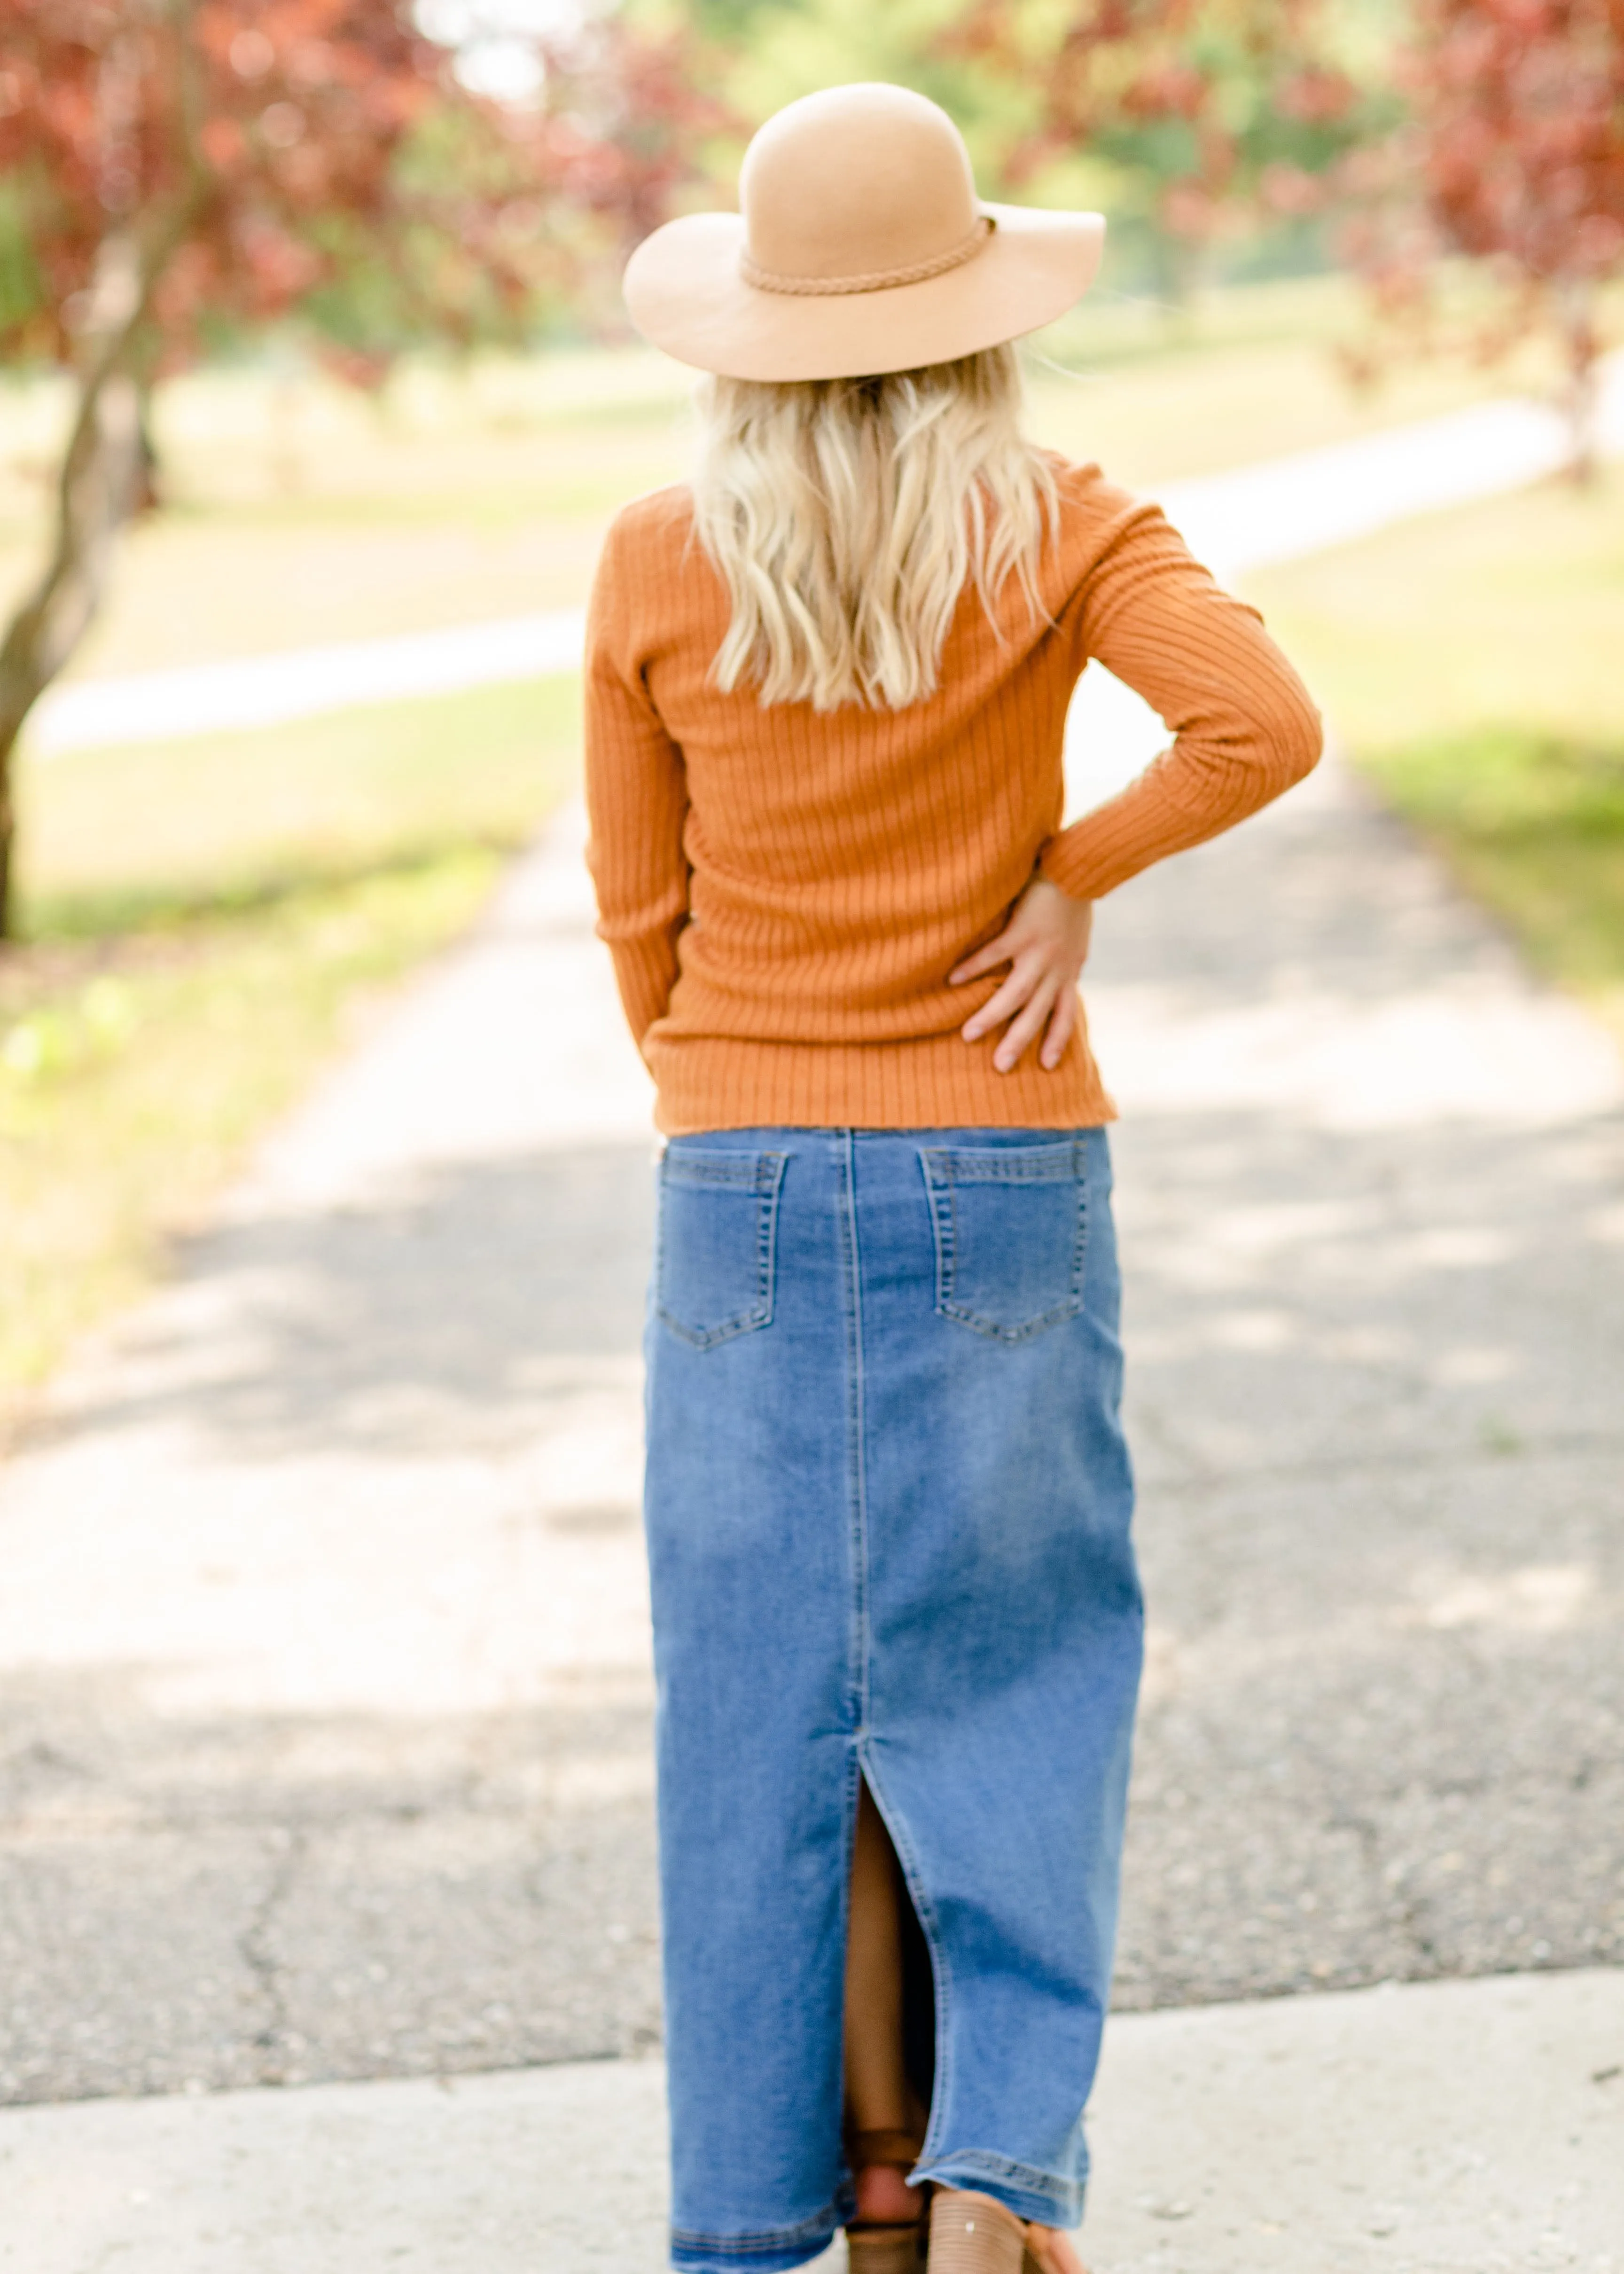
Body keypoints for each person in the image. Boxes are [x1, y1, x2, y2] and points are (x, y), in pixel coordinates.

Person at [585, 81, 1321, 2274]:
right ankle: (994, 2170)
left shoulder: (650, 553)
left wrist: (728, 1093)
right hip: (1001, 1166)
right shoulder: (1066, 521)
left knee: (760, 1700)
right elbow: (1260, 725)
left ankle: (787, 2203)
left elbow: (645, 914)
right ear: (984, 313)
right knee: (1013, 1668)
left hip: (735, 1169)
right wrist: (1066, 879)